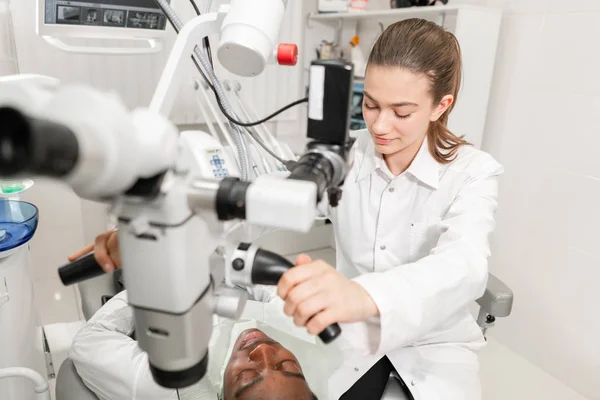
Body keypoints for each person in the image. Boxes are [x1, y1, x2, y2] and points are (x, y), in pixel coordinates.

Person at [70, 18, 503, 400]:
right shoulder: (344, 154)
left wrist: (365, 294)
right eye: (370, 104)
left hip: (434, 349)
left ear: (440, 106)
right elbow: (264, 204)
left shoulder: (473, 172)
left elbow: (463, 266)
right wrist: (162, 232)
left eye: (401, 112)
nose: (379, 125)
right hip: (351, 341)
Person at [69, 288, 322, 400]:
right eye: (286, 365)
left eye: (247, 376)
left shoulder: (161, 384)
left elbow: (89, 342)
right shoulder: (319, 354)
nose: (264, 349)